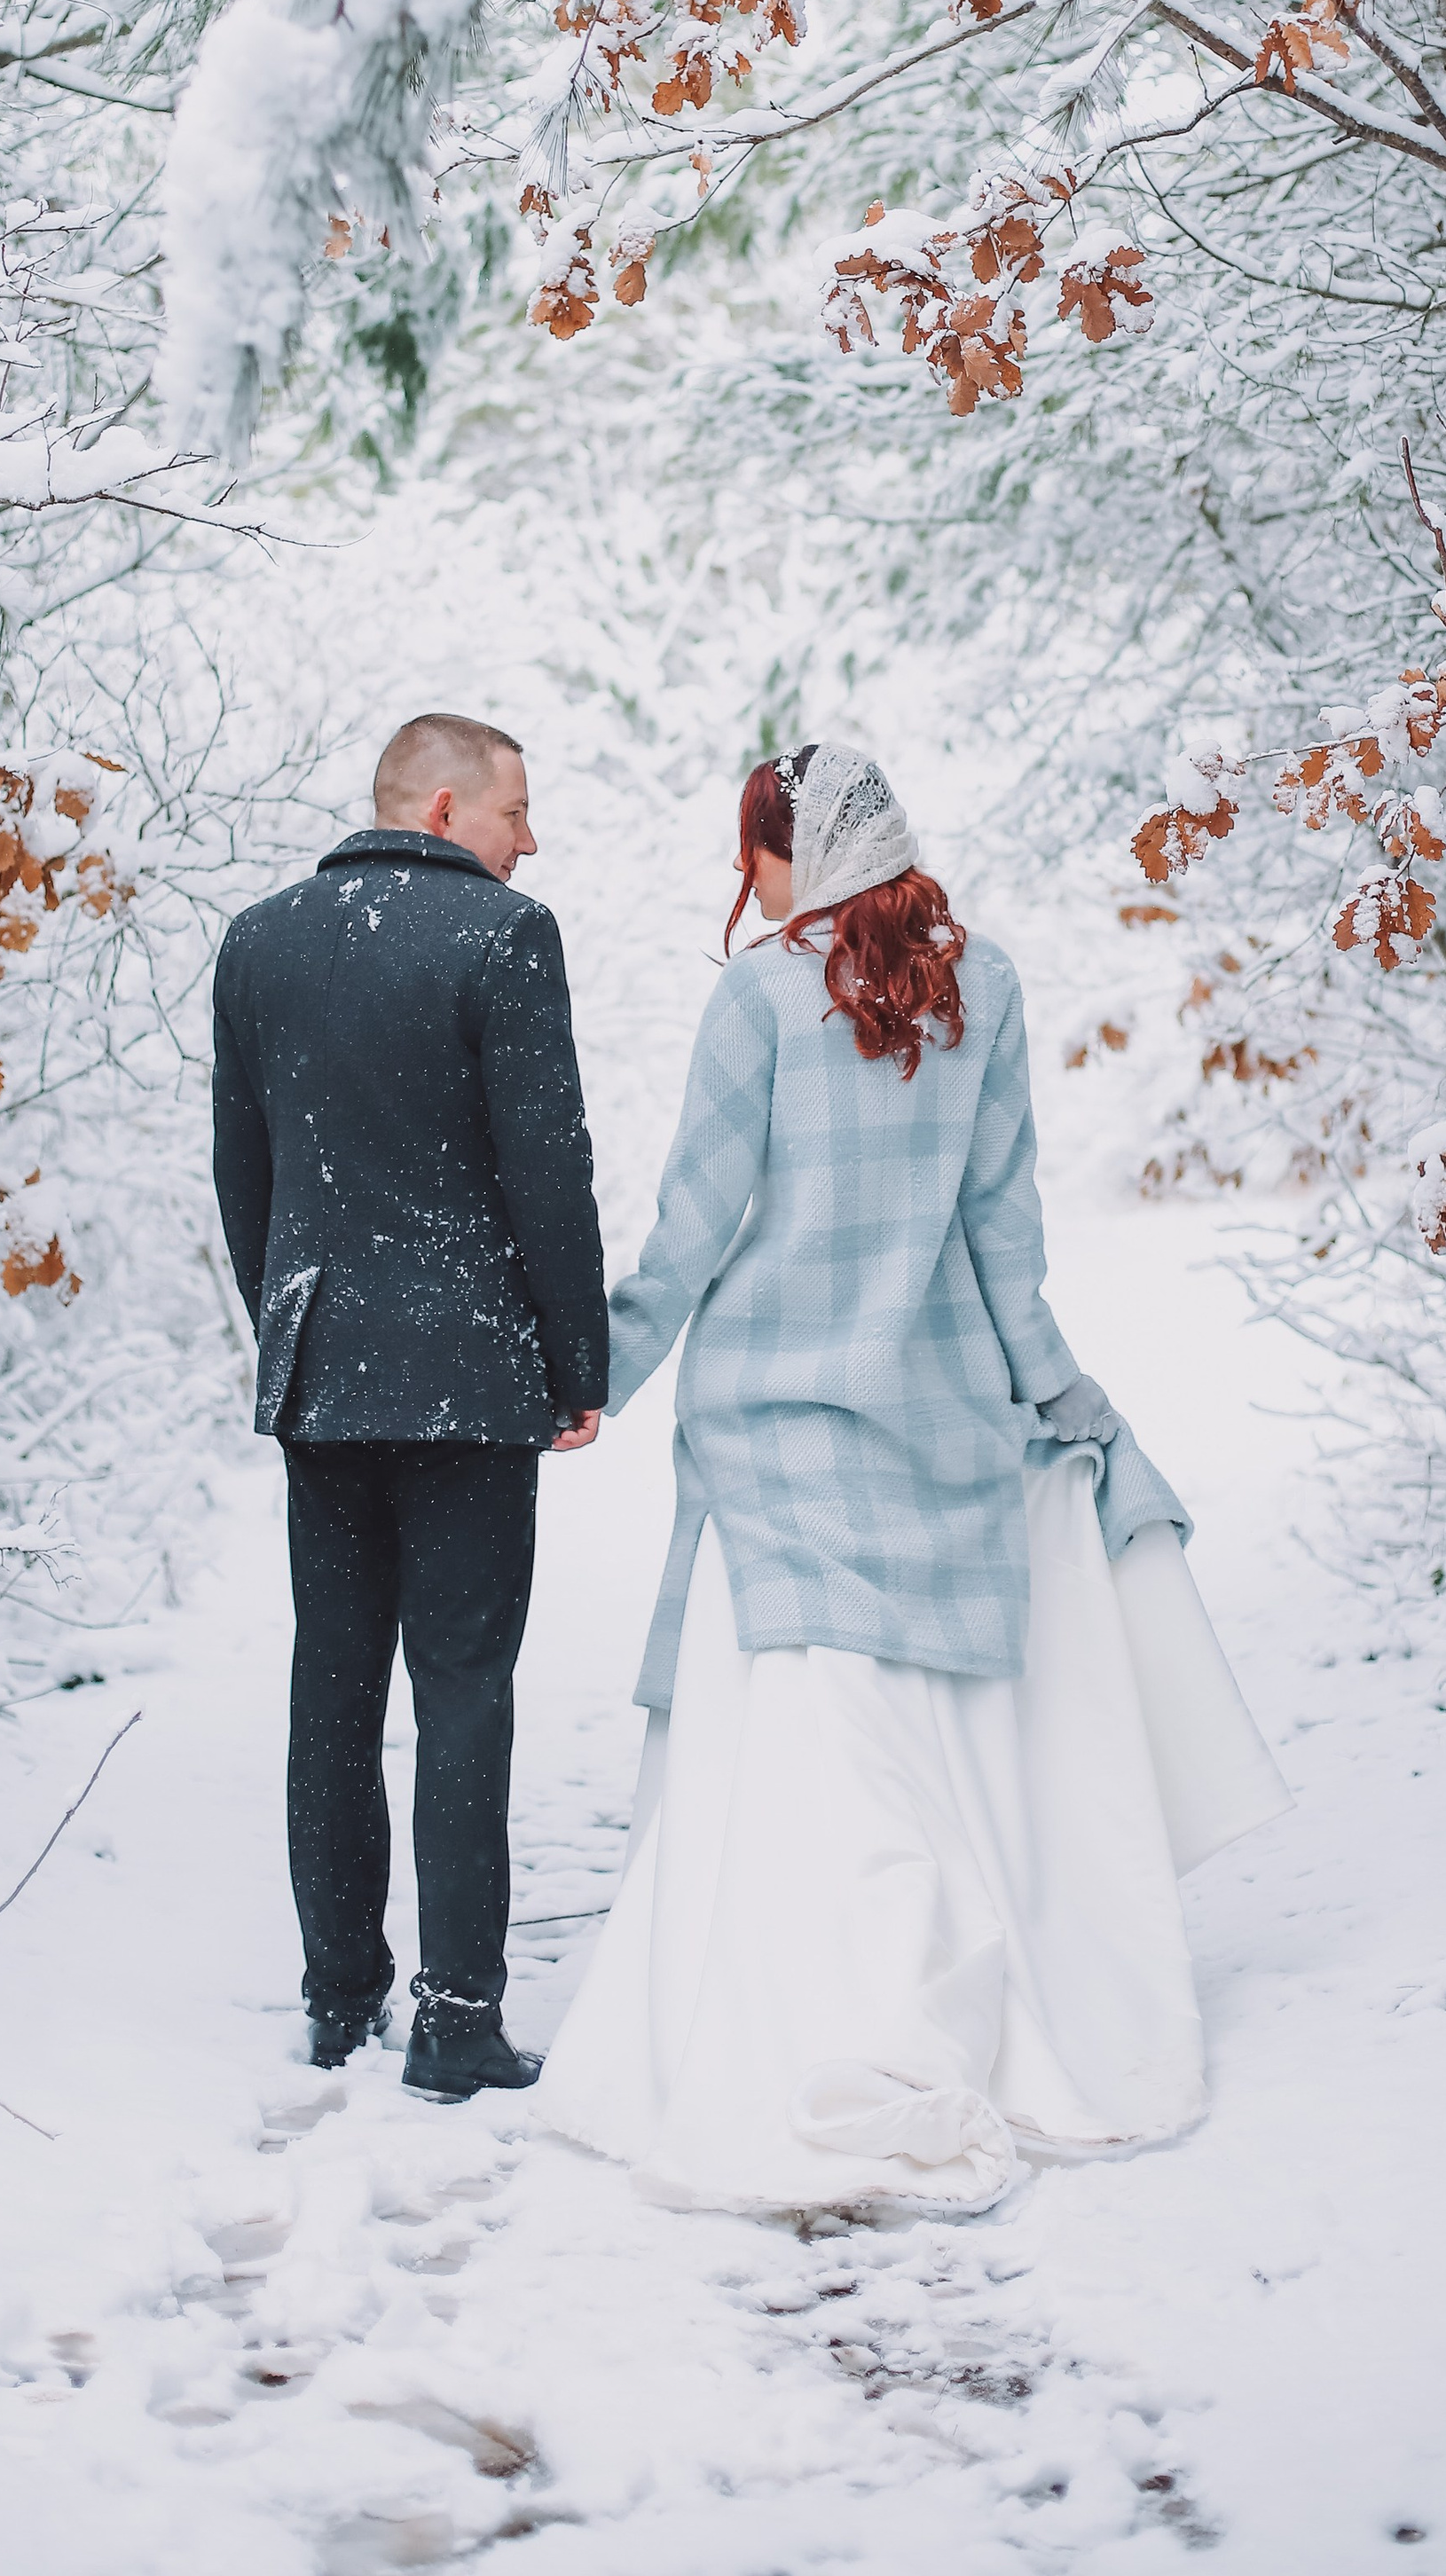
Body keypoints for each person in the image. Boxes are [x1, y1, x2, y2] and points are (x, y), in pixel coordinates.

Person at [538, 741, 1289, 2213]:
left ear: (794, 855)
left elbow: (693, 1224)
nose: (745, 882)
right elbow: (1005, 1231)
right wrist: (1049, 1388)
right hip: (943, 1409)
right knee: (915, 1734)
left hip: (777, 1416)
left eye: (753, 850)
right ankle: (953, 1995)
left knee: (827, 1738)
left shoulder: (755, 998)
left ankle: (846, 2015)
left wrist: (599, 1381)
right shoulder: (985, 985)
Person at [211, 712, 607, 2101]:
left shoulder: (257, 941)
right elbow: (547, 1171)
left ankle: (338, 2001)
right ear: (444, 808)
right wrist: (578, 1366)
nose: (532, 839)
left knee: (331, 1687)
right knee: (462, 1695)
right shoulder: (505, 939)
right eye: (517, 810)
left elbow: (242, 1178)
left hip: (323, 1372)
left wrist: (294, 1333)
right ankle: (454, 2019)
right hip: (472, 1375)